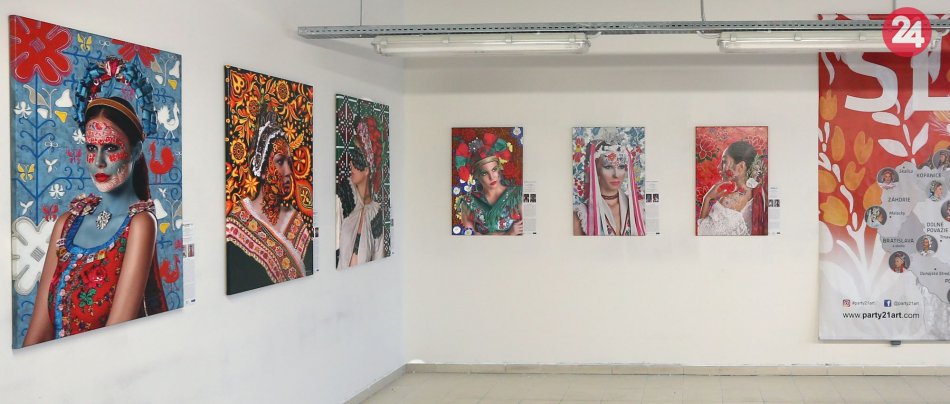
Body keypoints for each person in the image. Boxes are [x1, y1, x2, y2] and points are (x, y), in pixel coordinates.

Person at [23, 96, 167, 345]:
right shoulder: (66, 223)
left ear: (135, 151)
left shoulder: (140, 225)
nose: (99, 161)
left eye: (110, 148)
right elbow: (37, 334)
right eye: (92, 148)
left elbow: (114, 339)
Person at [226, 108, 312, 294]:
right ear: (263, 169)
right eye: (280, 162)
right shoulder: (237, 224)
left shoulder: (297, 222)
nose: (288, 171)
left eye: (290, 162)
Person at [573, 130, 645, 236]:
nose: (616, 174)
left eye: (621, 167)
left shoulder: (639, 209)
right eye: (608, 167)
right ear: (596, 170)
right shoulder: (582, 214)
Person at [336, 115, 386, 269]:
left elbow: (379, 257)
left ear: (367, 170)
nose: (351, 165)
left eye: (357, 160)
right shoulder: (344, 197)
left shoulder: (376, 212)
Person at [454, 132, 523, 235]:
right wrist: (509, 233)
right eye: (484, 173)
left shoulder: (518, 194)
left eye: (494, 169)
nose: (492, 177)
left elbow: (530, 232)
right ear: (476, 176)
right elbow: (470, 237)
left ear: (499, 169)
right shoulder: (469, 202)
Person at [697, 140, 767, 236]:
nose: (719, 167)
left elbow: (703, 233)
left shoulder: (728, 201)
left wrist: (707, 198)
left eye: (724, 161)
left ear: (741, 166)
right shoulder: (755, 192)